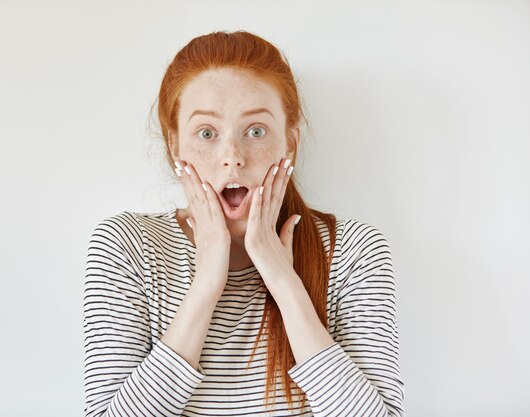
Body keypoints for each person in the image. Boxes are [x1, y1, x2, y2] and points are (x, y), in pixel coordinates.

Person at [83, 30, 405, 417]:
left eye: (256, 131)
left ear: (290, 143)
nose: (232, 157)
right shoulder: (126, 246)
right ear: (175, 147)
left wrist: (283, 279)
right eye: (206, 133)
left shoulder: (354, 250)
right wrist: (206, 283)